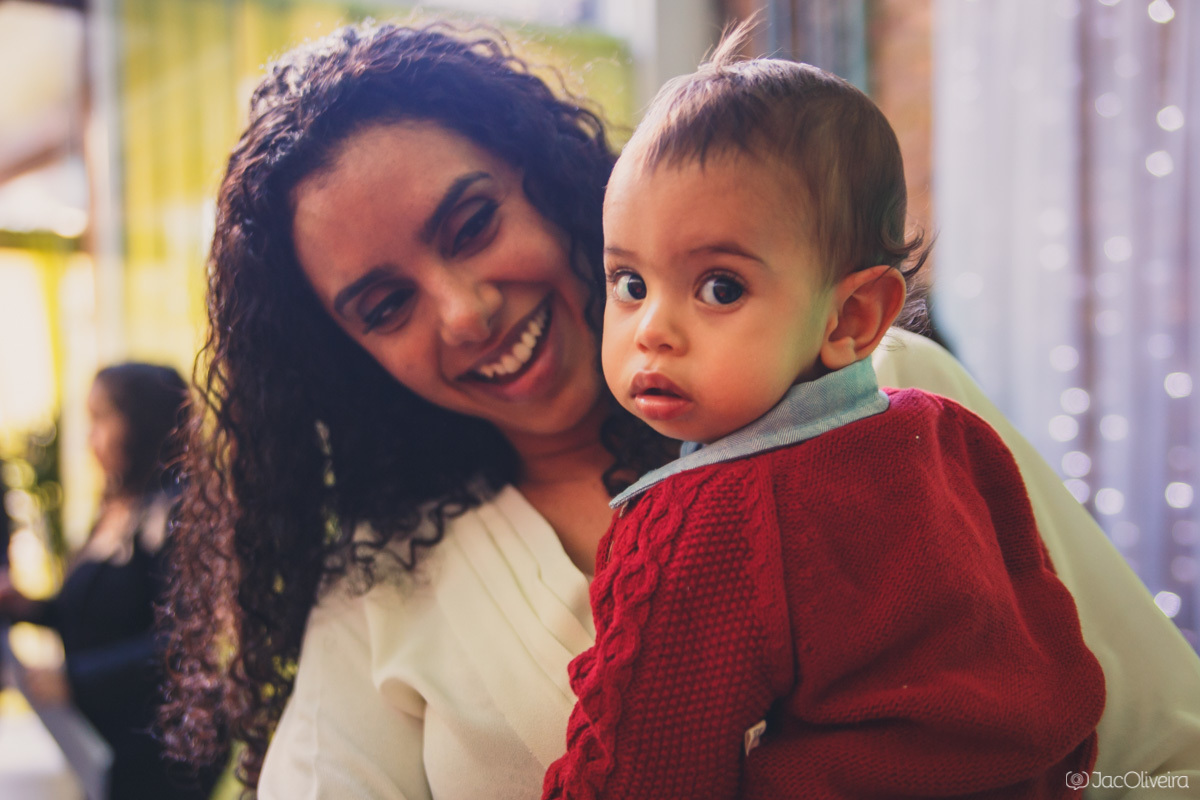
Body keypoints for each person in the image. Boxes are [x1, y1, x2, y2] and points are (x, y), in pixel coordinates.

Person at [159, 20, 1200, 799]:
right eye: (385, 304)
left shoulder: (900, 399)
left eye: (473, 223)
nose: (466, 309)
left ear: (548, 185)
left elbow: (1167, 746)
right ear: (350, 360)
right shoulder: (381, 592)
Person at [543, 36, 1104, 799]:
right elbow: (1042, 626)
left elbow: (634, 773)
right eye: (630, 281)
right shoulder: (943, 429)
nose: (651, 329)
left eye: (719, 288)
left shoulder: (698, 526)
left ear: (851, 317)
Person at [0, 362, 219, 800]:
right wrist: (28, 607)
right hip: (103, 744)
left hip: (159, 753)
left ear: (142, 421)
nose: (90, 439)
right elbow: (90, 616)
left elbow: (183, 641)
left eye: (101, 419)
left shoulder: (176, 514)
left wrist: (75, 680)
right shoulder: (117, 507)